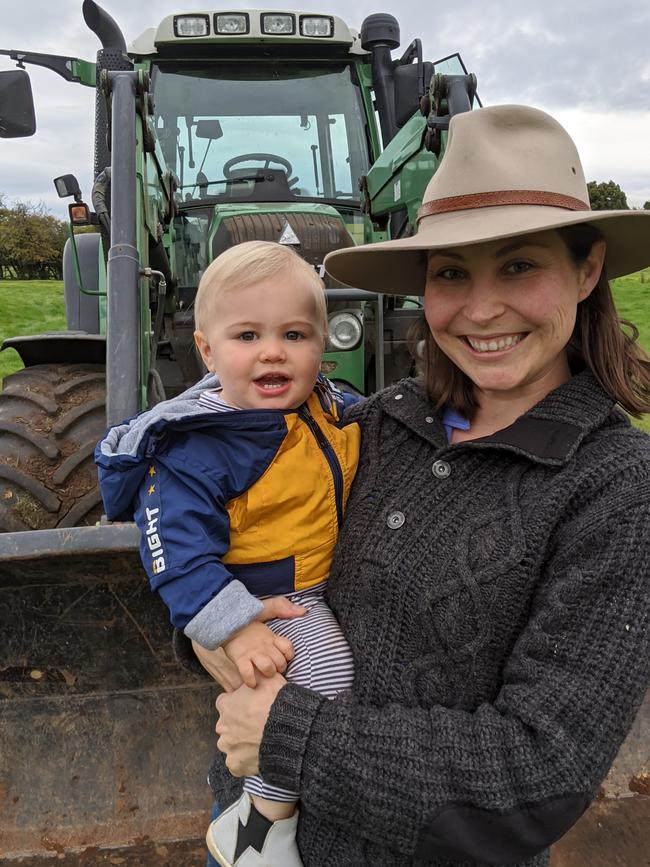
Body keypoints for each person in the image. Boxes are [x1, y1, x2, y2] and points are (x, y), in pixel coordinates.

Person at [193, 104, 650, 867]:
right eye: (450, 273)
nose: (480, 308)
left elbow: (538, 772)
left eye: (519, 264)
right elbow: (247, 543)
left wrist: (284, 732)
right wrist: (211, 627)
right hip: (243, 830)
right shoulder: (373, 425)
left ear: (588, 267)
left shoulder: (614, 488)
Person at [95, 240, 362, 867]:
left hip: (316, 579)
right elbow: (176, 553)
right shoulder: (200, 448)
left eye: (294, 334)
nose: (273, 350)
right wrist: (235, 628)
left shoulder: (326, 406)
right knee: (328, 675)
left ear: (322, 345)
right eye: (247, 335)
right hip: (266, 599)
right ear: (208, 351)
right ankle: (261, 823)